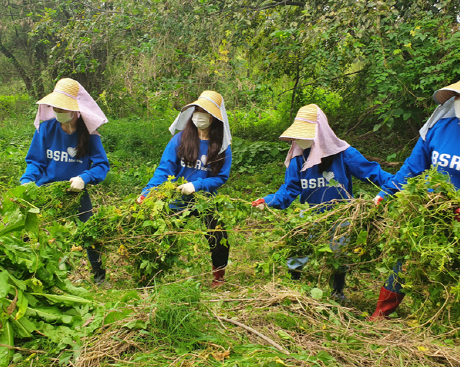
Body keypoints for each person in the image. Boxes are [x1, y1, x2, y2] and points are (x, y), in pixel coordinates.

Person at [369, 63, 460, 348]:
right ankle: (381, 313)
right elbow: (412, 169)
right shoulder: (440, 128)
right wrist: (386, 193)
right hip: (432, 212)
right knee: (405, 261)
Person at [251, 104, 393, 299]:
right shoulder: (298, 158)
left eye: (306, 134)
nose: (300, 140)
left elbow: (373, 172)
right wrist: (268, 201)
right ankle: (294, 290)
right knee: (298, 250)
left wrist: (390, 189)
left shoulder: (343, 154)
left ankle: (337, 292)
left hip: (340, 215)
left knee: (339, 254)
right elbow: (290, 189)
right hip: (309, 215)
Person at [137, 91, 233, 288]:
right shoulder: (180, 140)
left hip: (204, 199)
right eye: (197, 110)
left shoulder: (222, 146)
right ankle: (151, 275)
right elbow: (165, 169)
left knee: (219, 234)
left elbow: (221, 177)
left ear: (214, 117)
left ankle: (219, 276)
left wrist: (197, 185)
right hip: (177, 198)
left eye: (205, 112)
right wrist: (147, 192)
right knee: (163, 234)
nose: (199, 115)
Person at [20, 78, 110, 285]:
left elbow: (101, 166)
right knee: (28, 229)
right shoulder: (46, 129)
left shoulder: (89, 134)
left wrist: (84, 178)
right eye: (56, 107)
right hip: (48, 190)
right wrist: (27, 180)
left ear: (75, 109)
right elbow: (36, 161)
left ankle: (99, 276)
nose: (58, 111)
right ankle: (27, 271)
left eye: (63, 107)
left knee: (90, 232)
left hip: (76, 191)